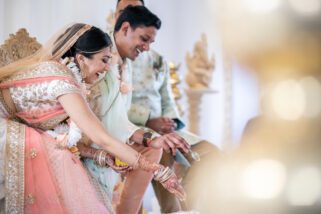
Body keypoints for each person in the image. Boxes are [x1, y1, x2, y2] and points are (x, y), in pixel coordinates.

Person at [0, 23, 185, 213]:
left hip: (23, 128)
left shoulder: (68, 78)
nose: (107, 67)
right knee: (60, 158)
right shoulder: (62, 81)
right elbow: (101, 137)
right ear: (81, 58)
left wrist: (99, 155)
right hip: (5, 129)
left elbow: (60, 136)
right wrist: (158, 171)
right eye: (104, 60)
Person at [111, 1, 221, 212]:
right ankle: (172, 210)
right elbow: (115, 108)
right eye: (125, 11)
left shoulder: (156, 58)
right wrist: (149, 121)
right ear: (118, 17)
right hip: (135, 127)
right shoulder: (113, 52)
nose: (146, 46)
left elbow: (167, 98)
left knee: (211, 154)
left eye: (138, 9)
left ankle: (188, 206)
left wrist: (171, 123)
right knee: (164, 151)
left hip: (162, 127)